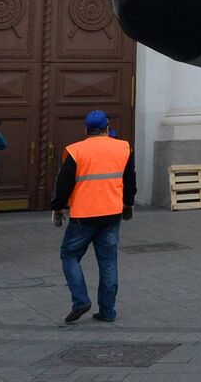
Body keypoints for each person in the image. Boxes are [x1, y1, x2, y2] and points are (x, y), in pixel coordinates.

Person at [51, 110, 135, 325]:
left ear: (86, 130)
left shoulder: (75, 150)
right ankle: (107, 311)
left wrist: (59, 207)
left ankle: (80, 301)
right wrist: (128, 204)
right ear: (107, 129)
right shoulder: (123, 147)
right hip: (111, 214)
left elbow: (63, 183)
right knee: (108, 263)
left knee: (69, 256)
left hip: (83, 216)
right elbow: (130, 180)